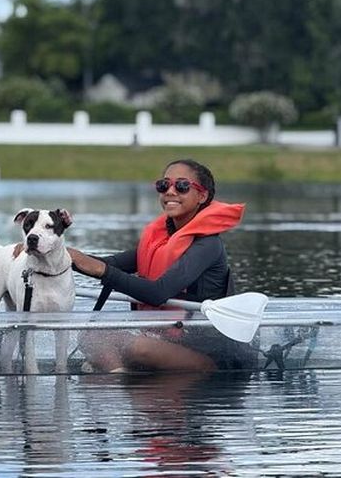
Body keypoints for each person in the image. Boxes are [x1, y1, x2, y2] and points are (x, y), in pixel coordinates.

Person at [72, 159, 255, 372]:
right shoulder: (161, 241)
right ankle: (120, 380)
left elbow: (159, 292)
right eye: (163, 185)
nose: (170, 191)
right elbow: (108, 264)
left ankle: (122, 378)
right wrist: (55, 254)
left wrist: (101, 271)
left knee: (136, 348)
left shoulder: (208, 244)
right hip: (163, 340)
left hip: (207, 352)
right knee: (90, 337)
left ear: (202, 196)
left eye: (182, 186)